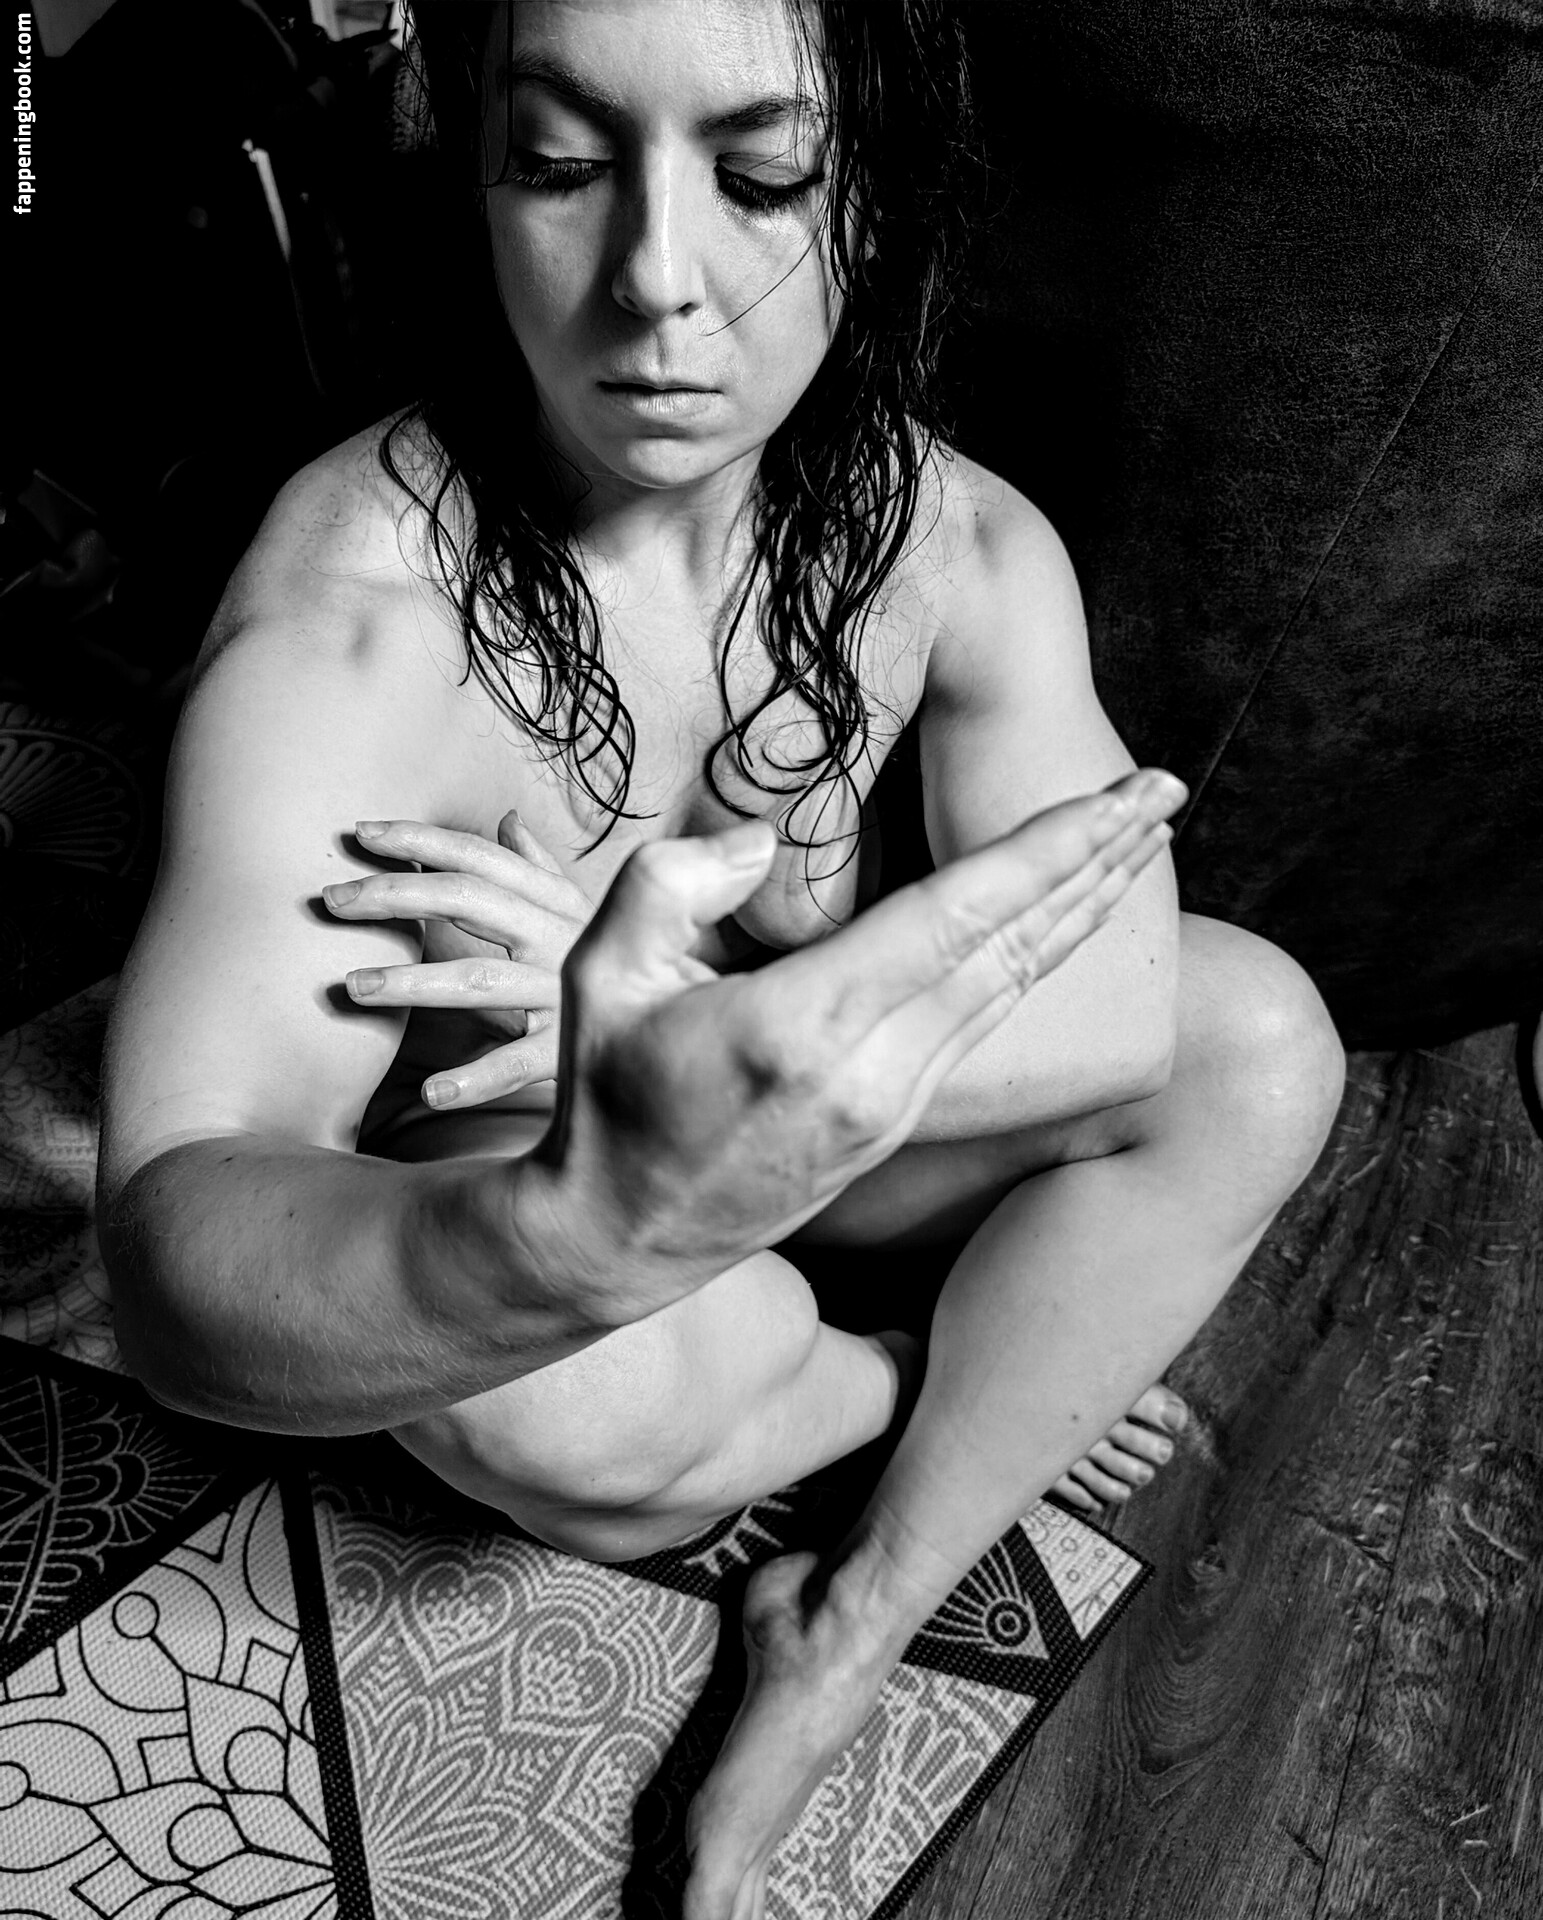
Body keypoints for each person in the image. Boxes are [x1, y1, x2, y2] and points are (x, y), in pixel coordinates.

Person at [96, 2, 1346, 1914]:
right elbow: (177, 1246)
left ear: (872, 199)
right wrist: (573, 1235)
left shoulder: (951, 542)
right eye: (563, 165)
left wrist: (711, 1025)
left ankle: (848, 1618)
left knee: (1260, 1041)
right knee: (547, 1405)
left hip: (823, 1141)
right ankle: (915, 1375)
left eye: (762, 175)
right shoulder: (355, 623)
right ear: (474, 176)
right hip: (542, 1192)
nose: (657, 283)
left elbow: (1123, 1008)